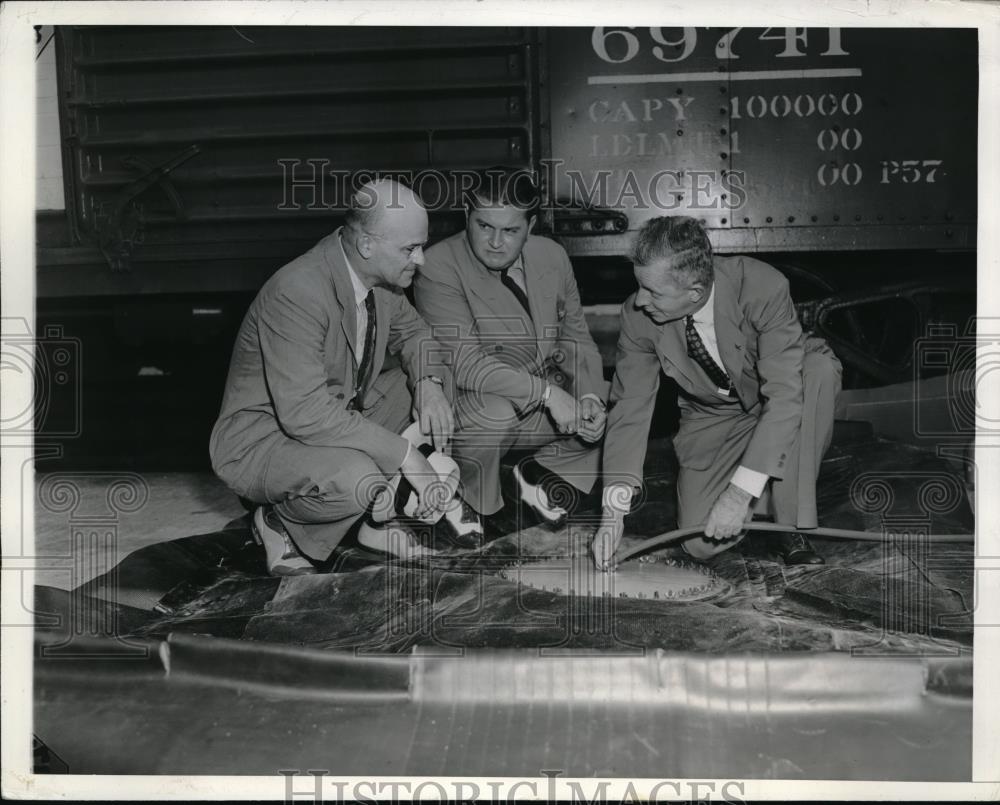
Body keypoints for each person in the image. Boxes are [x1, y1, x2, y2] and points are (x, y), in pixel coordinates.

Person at [210, 180, 460, 576]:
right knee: (356, 479)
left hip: (334, 413)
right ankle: (280, 523)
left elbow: (416, 334)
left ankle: (375, 523)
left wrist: (429, 384)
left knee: (440, 394)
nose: (422, 259)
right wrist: (406, 456)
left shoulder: (381, 279)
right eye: (410, 248)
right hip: (266, 438)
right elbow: (304, 414)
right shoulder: (297, 290)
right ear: (366, 246)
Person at [592, 216, 842, 570]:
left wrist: (738, 494)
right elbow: (629, 409)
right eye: (640, 286)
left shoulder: (761, 286)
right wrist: (612, 513)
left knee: (817, 371)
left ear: (694, 291)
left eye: (653, 291)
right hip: (716, 412)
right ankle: (763, 494)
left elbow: (784, 396)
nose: (639, 300)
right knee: (699, 543)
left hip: (785, 390)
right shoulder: (638, 317)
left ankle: (790, 522)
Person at [414, 169, 608, 530]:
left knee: (614, 405)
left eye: (510, 231)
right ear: (466, 217)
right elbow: (470, 366)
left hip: (535, 404)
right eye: (484, 226)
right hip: (477, 402)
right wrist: (550, 394)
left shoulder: (552, 255)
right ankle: (468, 498)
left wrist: (591, 396)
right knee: (496, 416)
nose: (495, 242)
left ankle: (538, 472)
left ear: (531, 226)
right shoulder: (437, 266)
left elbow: (576, 336)